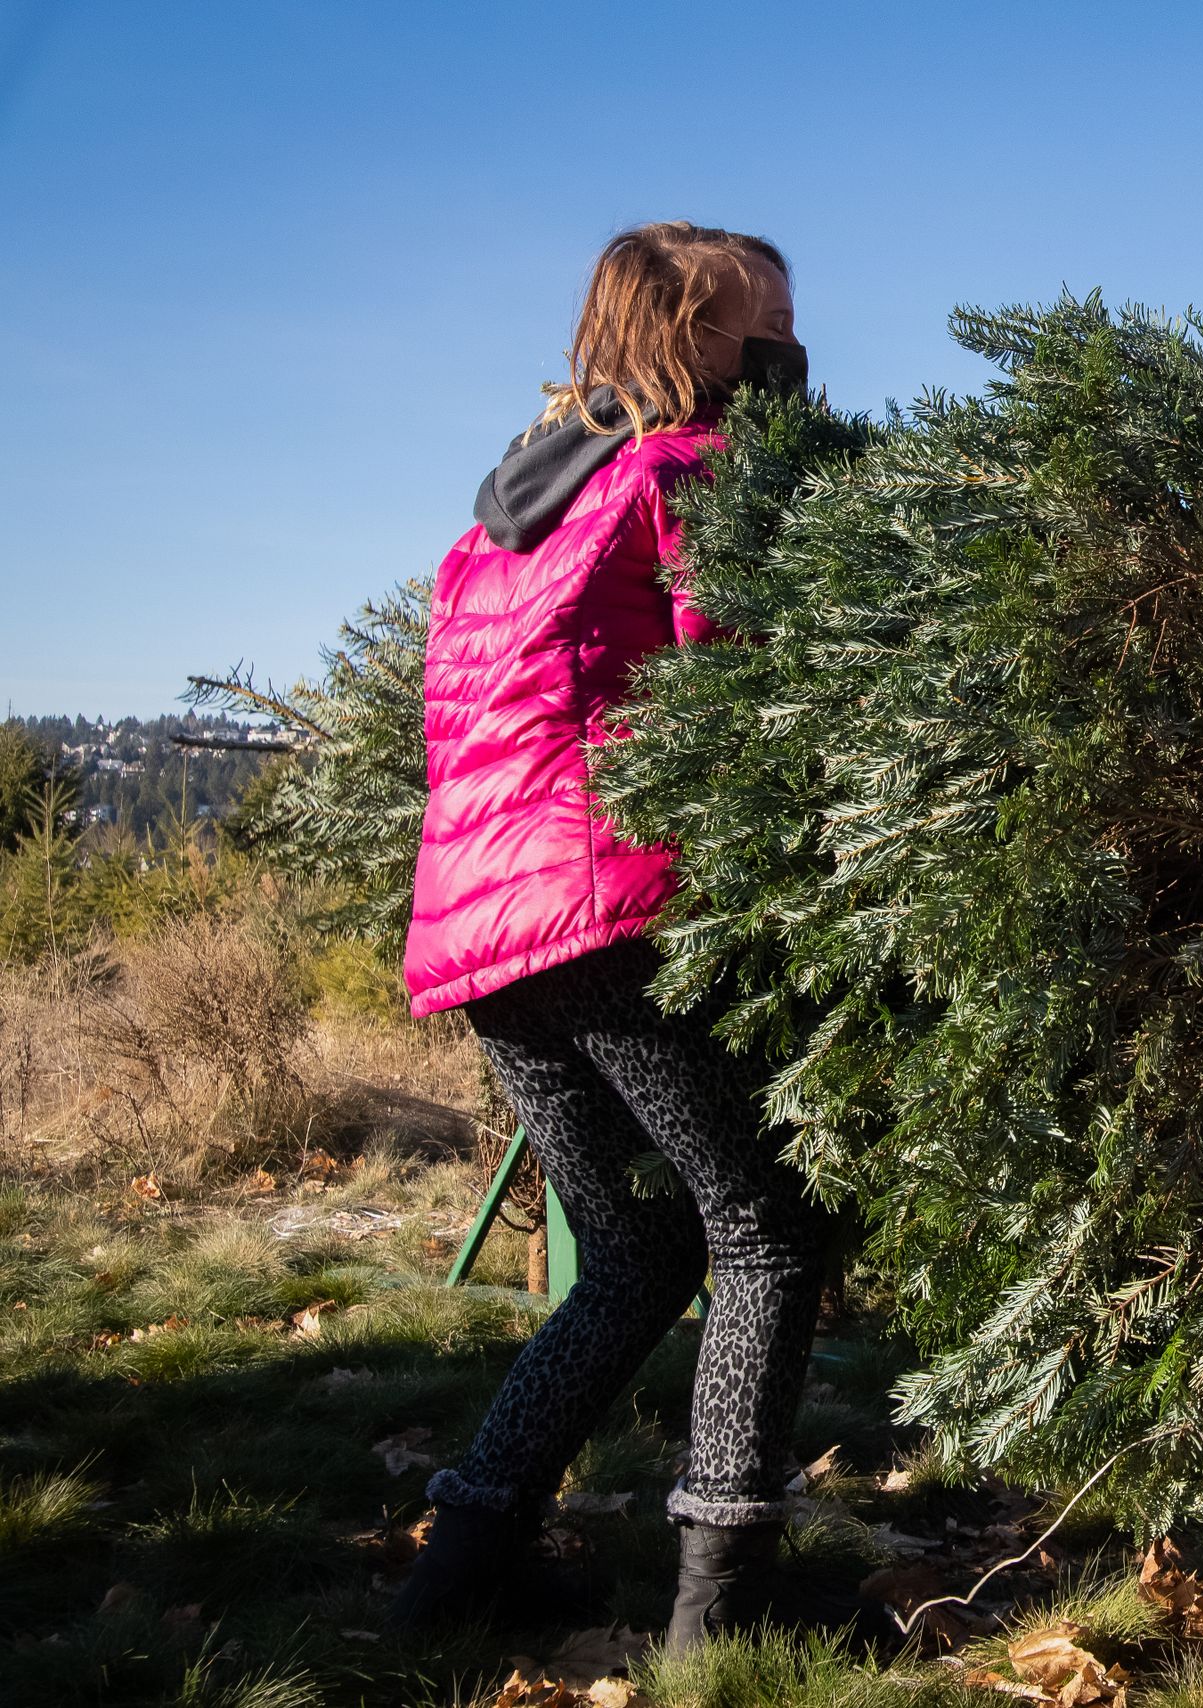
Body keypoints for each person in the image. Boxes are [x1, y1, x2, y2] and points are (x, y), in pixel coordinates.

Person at [391, 222, 832, 1649]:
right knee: (764, 1232)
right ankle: (724, 1624)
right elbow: (733, 694)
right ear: (697, 339)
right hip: (608, 904)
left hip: (483, 928)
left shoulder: (496, 524)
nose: (783, 353)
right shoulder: (687, 476)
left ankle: (461, 1569)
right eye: (760, 328)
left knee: (634, 1255)